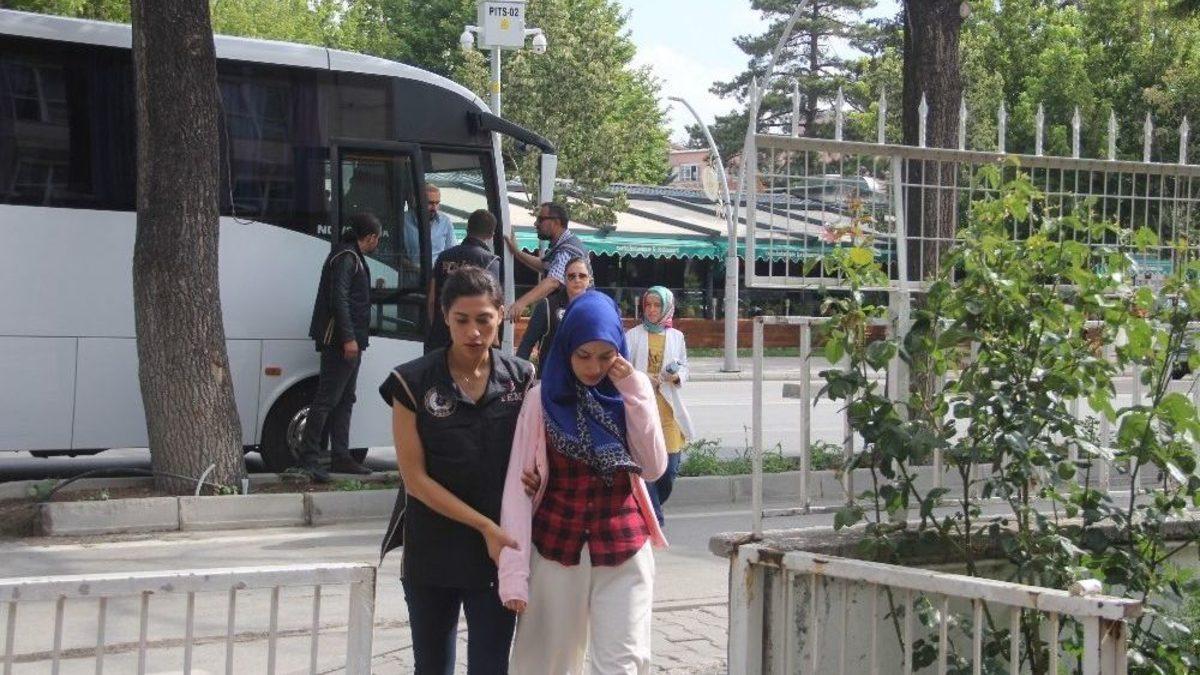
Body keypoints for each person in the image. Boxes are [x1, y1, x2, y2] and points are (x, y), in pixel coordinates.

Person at [498, 290, 668, 674]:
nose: (594, 368)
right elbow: (516, 492)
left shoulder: (629, 393)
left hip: (624, 546)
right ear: (566, 348)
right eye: (584, 355)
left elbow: (653, 467)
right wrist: (513, 574)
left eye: (606, 356)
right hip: (557, 546)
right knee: (545, 664)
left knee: (623, 663)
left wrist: (637, 392)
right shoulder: (541, 400)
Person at [379, 267, 538, 675]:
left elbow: (535, 456)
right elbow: (415, 481)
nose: (474, 332)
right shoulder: (411, 381)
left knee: (490, 666)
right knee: (432, 667)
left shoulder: (522, 378)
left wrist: (538, 479)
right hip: (433, 549)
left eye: (484, 319)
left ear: (500, 315)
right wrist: (484, 526)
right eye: (462, 320)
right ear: (445, 316)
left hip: (498, 553)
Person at [299, 212, 381, 482]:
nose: (377, 244)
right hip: (340, 342)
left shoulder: (350, 255)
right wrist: (348, 338)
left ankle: (341, 456)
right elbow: (339, 299)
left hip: (350, 339)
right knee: (327, 399)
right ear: (370, 237)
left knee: (345, 399)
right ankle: (309, 458)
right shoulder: (347, 257)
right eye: (377, 239)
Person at [625, 287, 695, 526]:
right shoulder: (632, 336)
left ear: (667, 308)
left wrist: (676, 376)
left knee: (670, 469)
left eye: (657, 305)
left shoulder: (677, 337)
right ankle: (654, 517)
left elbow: (684, 367)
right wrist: (643, 378)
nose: (652, 310)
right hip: (643, 409)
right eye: (648, 305)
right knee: (646, 464)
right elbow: (623, 368)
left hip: (668, 410)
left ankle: (650, 506)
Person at [504, 202, 586, 358]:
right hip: (571, 309)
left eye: (540, 219)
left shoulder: (567, 250)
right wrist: (517, 252)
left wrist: (521, 303)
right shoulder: (562, 245)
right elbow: (544, 265)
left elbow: (553, 281)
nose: (536, 224)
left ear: (556, 222)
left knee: (536, 342)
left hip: (573, 311)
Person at [424, 209, 501, 354]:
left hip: (439, 337)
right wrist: (495, 342)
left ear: (467, 229)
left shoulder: (443, 256)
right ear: (491, 235)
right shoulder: (490, 261)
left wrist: (437, 327)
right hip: (472, 339)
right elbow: (493, 303)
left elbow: (432, 300)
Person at [535, 256, 592, 361]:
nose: (577, 280)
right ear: (564, 279)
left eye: (582, 276)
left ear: (589, 279)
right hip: (551, 370)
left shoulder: (597, 309)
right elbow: (526, 345)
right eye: (571, 276)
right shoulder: (547, 306)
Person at [405, 184, 458, 269]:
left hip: (438, 273)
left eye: (437, 203)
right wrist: (416, 268)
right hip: (411, 273)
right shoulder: (404, 222)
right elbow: (396, 255)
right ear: (416, 202)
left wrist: (440, 269)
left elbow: (453, 253)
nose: (434, 208)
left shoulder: (445, 222)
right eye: (430, 203)